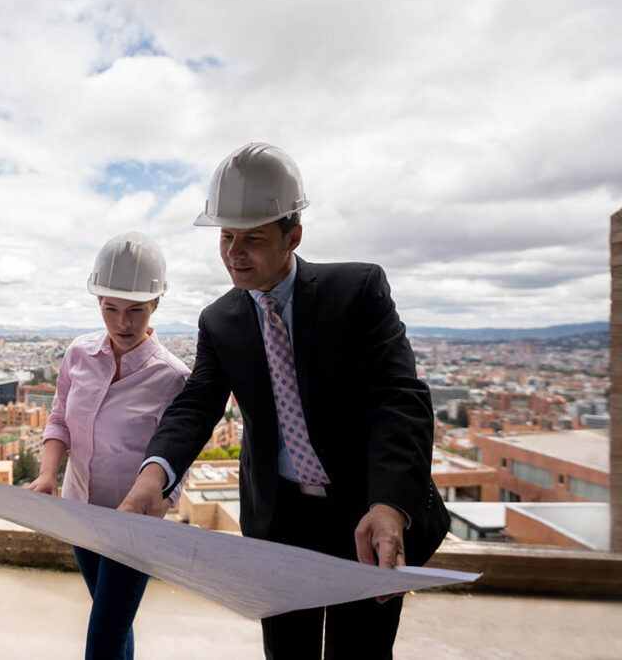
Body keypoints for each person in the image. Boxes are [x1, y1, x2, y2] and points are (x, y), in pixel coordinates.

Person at [118, 143, 450, 659]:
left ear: (293, 236)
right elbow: (197, 405)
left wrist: (389, 505)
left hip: (365, 513)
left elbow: (400, 399)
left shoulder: (358, 291)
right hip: (279, 523)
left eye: (252, 238)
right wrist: (153, 475)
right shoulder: (219, 321)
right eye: (226, 237)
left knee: (360, 653)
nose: (234, 253)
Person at [28, 232, 189, 660]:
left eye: (135, 310)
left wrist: (156, 508)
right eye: (110, 308)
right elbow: (58, 419)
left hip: (134, 528)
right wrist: (47, 475)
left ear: (155, 304)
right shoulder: (77, 354)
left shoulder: (172, 377)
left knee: (102, 641)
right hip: (80, 513)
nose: (122, 323)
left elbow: (179, 458)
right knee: (115, 628)